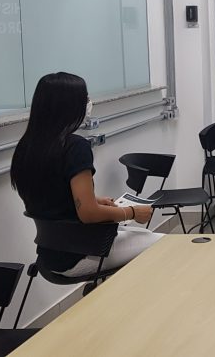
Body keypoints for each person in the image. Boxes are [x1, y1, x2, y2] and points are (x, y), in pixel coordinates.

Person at [11, 72, 162, 277]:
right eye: (85, 99)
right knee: (163, 244)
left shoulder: (25, 148)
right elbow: (88, 214)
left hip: (49, 254)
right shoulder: (74, 147)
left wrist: (95, 199)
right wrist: (132, 213)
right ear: (70, 106)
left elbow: (50, 197)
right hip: (80, 252)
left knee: (142, 236)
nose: (88, 103)